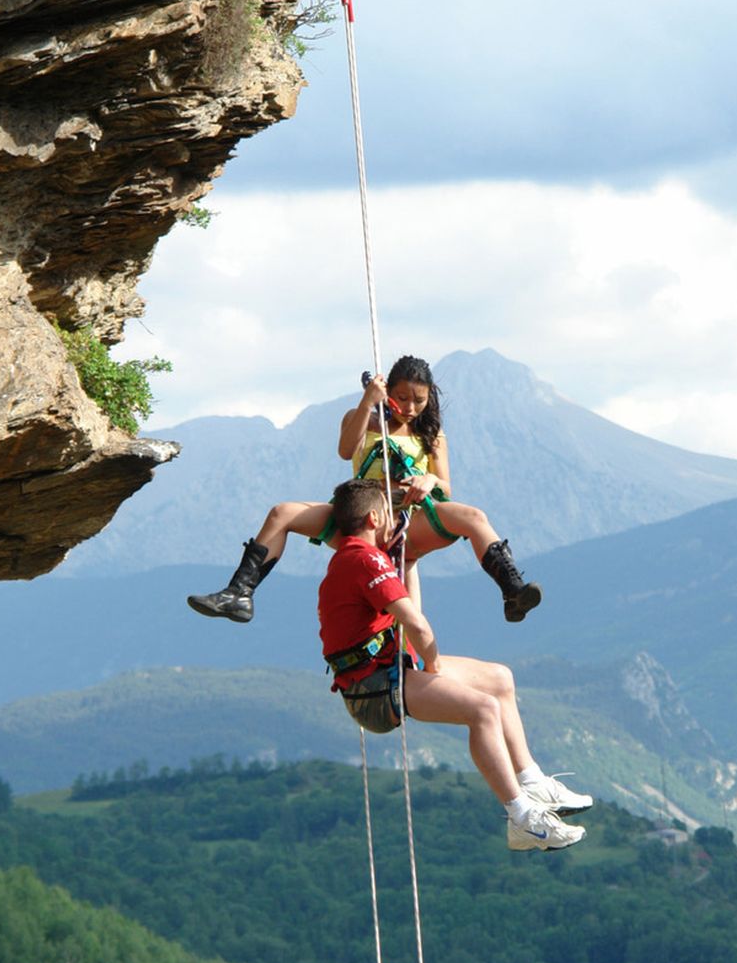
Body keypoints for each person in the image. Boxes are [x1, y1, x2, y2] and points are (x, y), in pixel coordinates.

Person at [318, 476, 592, 853]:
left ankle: (532, 780)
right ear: (374, 519)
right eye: (389, 514)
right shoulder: (365, 560)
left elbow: (409, 616)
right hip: (375, 687)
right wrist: (432, 667)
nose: (395, 521)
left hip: (381, 672)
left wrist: (408, 559)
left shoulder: (354, 559)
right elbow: (416, 625)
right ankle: (523, 818)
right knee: (483, 709)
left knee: (499, 680)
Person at [187, 355, 541, 625]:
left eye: (419, 400)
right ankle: (240, 593)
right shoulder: (362, 418)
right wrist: (368, 402)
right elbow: (346, 451)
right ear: (388, 393)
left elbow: (445, 487)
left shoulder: (431, 434)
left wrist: (429, 480)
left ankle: (512, 591)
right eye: (402, 397)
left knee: (474, 517)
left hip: (408, 520)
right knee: (282, 513)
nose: (410, 408)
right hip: (359, 516)